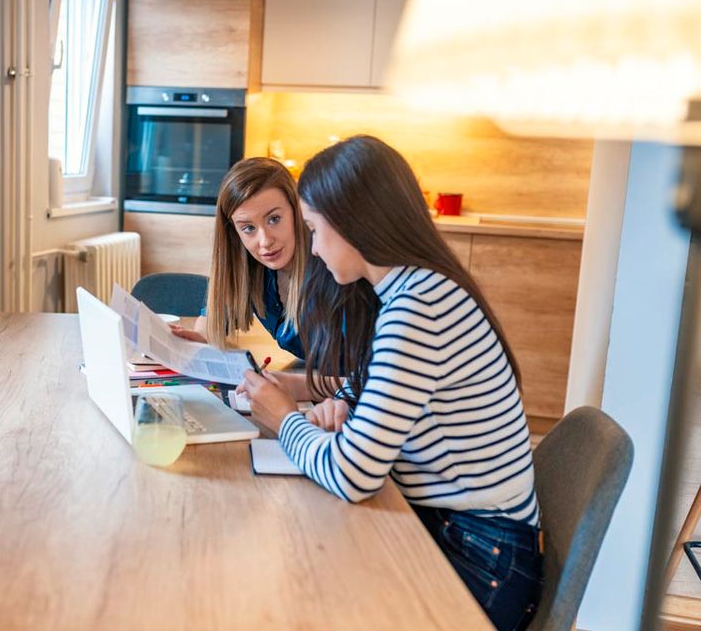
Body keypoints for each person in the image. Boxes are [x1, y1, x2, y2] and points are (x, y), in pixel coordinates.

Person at [241, 135, 543, 631]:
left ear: (351, 223)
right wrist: (338, 401)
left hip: (480, 558)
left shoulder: (415, 308)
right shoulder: (417, 287)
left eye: (314, 229)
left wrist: (284, 419)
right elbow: (378, 384)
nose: (312, 247)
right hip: (469, 533)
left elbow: (354, 475)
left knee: (294, 587)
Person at [171, 157, 309, 362]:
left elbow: (363, 372)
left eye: (274, 219)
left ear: (297, 211)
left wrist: (294, 385)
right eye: (248, 228)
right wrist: (201, 338)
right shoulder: (251, 267)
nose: (265, 241)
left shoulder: (333, 266)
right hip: (315, 384)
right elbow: (213, 320)